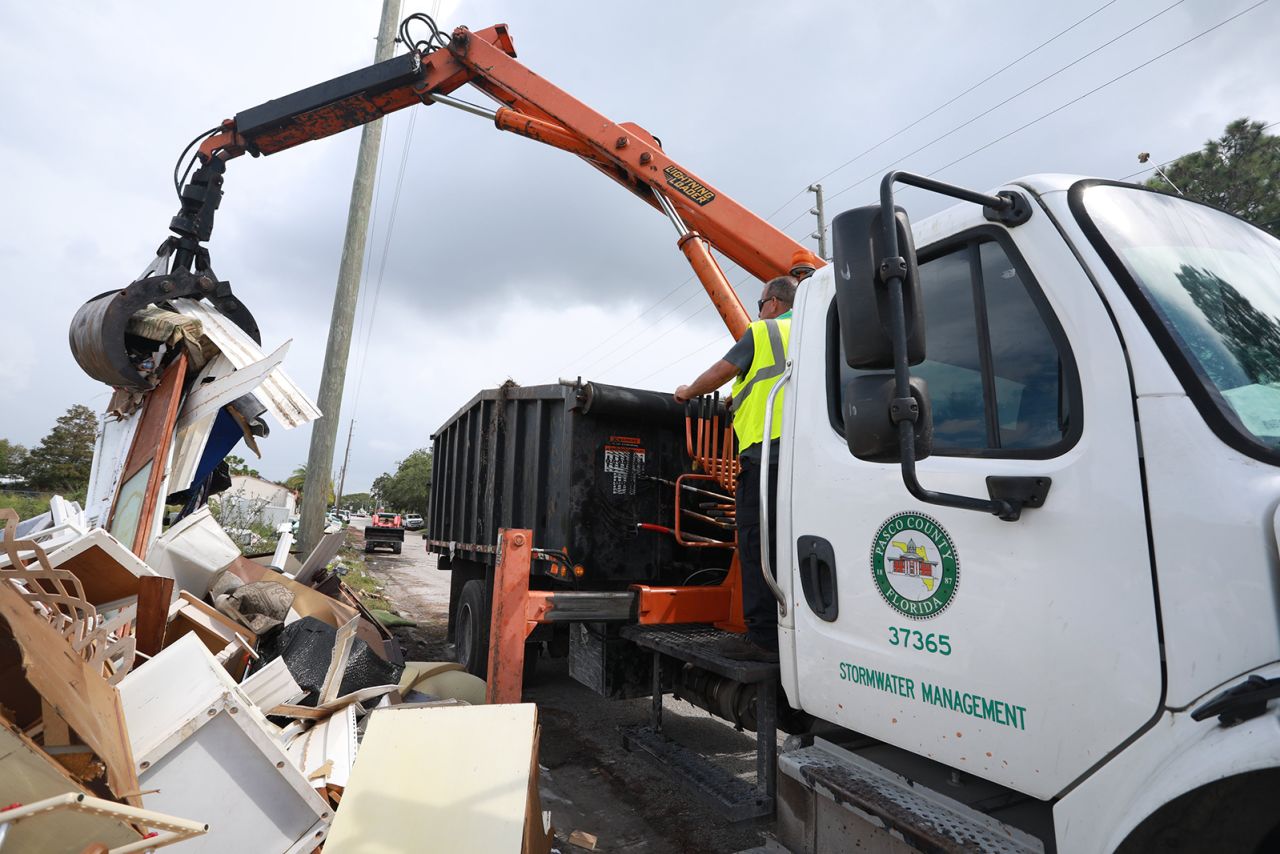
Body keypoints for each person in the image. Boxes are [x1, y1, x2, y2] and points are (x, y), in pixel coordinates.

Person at [674, 275, 796, 662]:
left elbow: (723, 369)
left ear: (774, 303)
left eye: (760, 303)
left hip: (765, 458)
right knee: (788, 546)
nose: (759, 310)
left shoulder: (766, 331)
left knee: (756, 545)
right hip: (804, 456)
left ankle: (763, 638)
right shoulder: (817, 330)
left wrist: (688, 391)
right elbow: (766, 382)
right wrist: (734, 402)